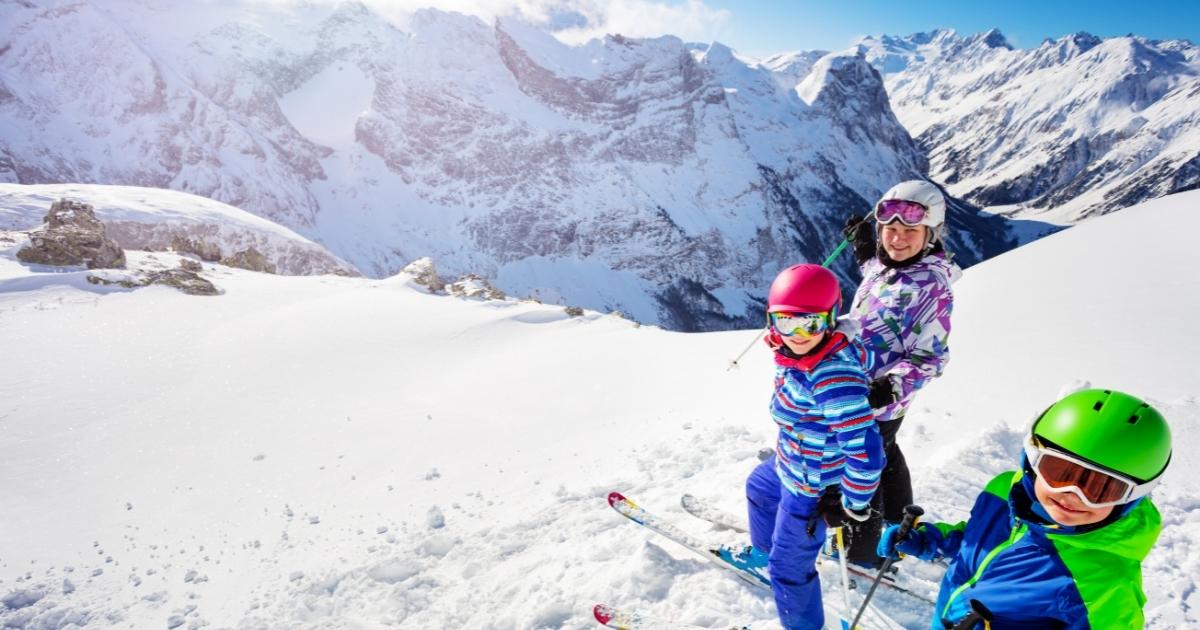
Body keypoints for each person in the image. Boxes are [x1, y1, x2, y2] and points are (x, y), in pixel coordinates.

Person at [878, 389, 1172, 628]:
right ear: (1032, 460)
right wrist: (931, 541)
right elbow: (977, 541)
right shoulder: (1003, 492)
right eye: (1059, 472)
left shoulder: (1103, 582)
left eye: (1100, 489)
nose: (1071, 496)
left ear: (1132, 498)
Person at [717, 264, 885, 630]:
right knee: (759, 489)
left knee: (789, 570)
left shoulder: (830, 376)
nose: (796, 334)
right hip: (791, 463)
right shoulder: (797, 353)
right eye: (784, 322)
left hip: (811, 487)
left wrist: (851, 504)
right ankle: (764, 554)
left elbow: (867, 452)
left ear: (829, 319)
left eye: (808, 323)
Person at [839, 180, 962, 569]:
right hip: (867, 392)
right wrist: (863, 251)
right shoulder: (887, 266)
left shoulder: (932, 287)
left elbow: (931, 358)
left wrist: (890, 387)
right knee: (886, 455)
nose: (896, 238)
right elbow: (882, 275)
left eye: (909, 231)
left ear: (931, 234)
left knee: (864, 467)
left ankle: (863, 556)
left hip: (880, 397)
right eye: (889, 229)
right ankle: (897, 530)